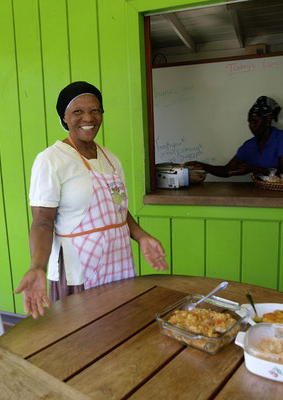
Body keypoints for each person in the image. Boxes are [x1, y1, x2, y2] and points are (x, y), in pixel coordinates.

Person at [15, 81, 169, 318]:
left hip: (118, 260)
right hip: (80, 268)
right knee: (84, 336)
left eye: (95, 110)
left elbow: (116, 208)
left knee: (121, 324)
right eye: (77, 111)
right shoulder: (51, 160)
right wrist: (37, 266)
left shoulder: (111, 158)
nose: (88, 117)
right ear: (64, 118)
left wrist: (141, 236)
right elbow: (43, 222)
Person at [185, 96, 283, 177]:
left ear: (268, 120)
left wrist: (253, 169)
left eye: (255, 122)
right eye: (249, 122)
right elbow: (226, 170)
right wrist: (203, 166)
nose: (251, 126)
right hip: (261, 194)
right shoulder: (249, 145)